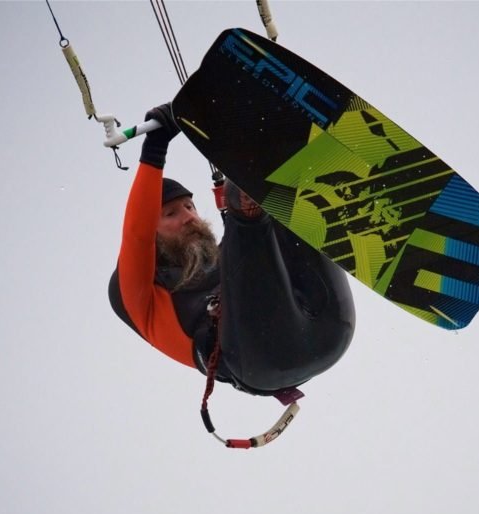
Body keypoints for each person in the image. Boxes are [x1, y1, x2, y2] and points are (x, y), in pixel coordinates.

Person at [108, 103, 355, 397]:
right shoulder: (139, 295)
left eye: (189, 207)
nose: (188, 217)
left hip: (332, 329)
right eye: (171, 214)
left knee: (285, 206)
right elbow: (137, 236)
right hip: (259, 359)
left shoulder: (230, 254)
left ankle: (303, 162)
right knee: (247, 199)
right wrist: (155, 147)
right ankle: (260, 177)